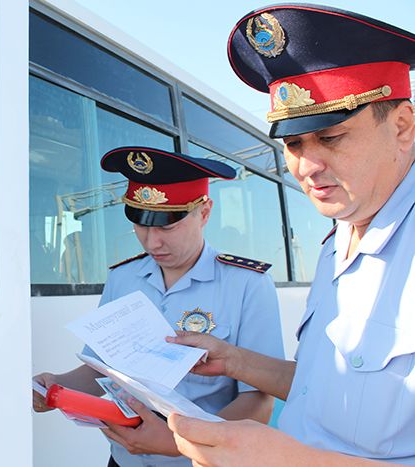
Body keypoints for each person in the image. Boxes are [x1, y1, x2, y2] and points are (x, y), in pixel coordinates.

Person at [165, 5, 415, 466]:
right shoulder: (340, 237)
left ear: (401, 126)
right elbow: (328, 392)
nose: (307, 167)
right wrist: (235, 361)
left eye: (331, 137)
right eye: (294, 144)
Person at [33, 146, 284, 467]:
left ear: (204, 212)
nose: (152, 242)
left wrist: (182, 442)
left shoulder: (247, 284)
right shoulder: (123, 278)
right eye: (141, 225)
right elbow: (99, 368)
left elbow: (259, 401)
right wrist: (54, 384)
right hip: (124, 460)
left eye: (167, 227)